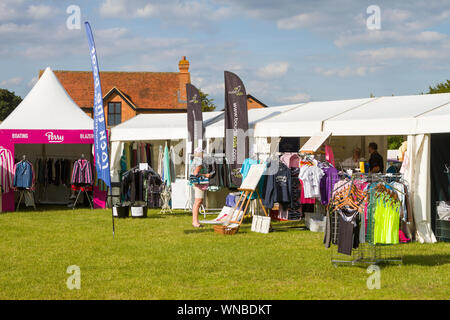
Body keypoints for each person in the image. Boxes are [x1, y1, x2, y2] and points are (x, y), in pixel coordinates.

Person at [190, 147, 211, 228]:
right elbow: (196, 173)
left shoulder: (195, 160)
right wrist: (206, 175)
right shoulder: (199, 161)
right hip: (199, 184)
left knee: (197, 202)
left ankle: (195, 221)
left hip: (196, 184)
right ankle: (195, 222)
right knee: (198, 202)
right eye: (202, 153)